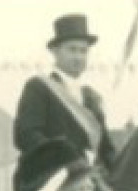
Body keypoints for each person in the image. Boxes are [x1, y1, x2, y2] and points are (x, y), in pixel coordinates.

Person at [14, 14, 116, 170]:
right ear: (55, 51)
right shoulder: (39, 87)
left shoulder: (91, 97)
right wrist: (67, 163)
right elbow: (27, 135)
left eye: (83, 51)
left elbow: (105, 148)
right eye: (72, 50)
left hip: (88, 182)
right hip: (50, 179)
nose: (78, 57)